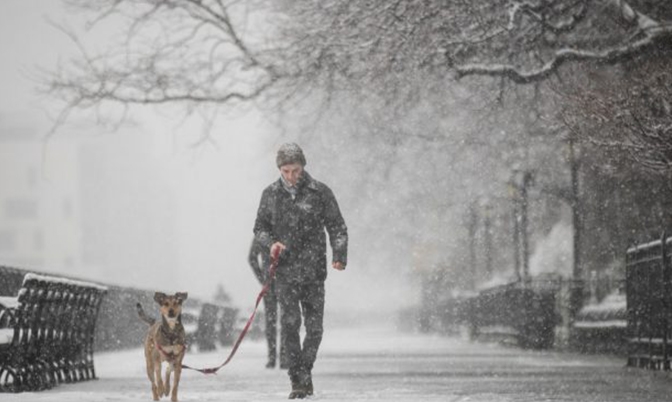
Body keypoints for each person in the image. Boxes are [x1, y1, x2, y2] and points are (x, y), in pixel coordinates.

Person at [253, 143, 348, 399]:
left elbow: (337, 226)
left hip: (314, 271)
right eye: (286, 171)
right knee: (291, 324)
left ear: (303, 167)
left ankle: (304, 369)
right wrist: (271, 243)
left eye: (295, 170)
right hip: (284, 272)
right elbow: (259, 228)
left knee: (315, 329)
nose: (291, 176)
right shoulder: (270, 195)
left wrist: (339, 256)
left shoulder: (320, 192)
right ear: (279, 169)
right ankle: (297, 379)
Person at [248, 237, 287, 369]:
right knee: (285, 320)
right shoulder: (285, 230)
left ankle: (272, 358)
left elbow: (251, 258)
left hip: (268, 282)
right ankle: (283, 357)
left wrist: (262, 277)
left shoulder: (261, 235)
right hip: (284, 282)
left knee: (271, 321)